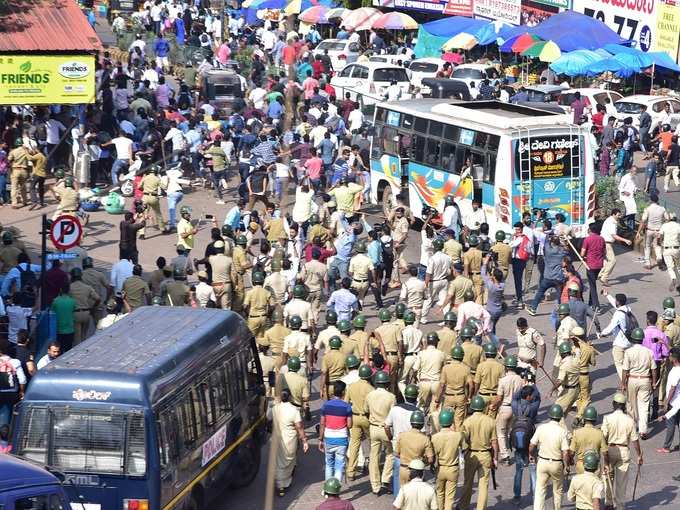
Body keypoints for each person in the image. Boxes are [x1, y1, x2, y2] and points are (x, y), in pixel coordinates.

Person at [602, 392, 643, 510]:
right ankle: (619, 506)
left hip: (609, 450)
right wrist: (639, 455)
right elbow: (635, 441)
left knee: (607, 477)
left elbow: (603, 437)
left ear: (614, 404)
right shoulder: (629, 420)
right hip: (624, 450)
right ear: (624, 405)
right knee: (622, 482)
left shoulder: (607, 418)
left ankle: (608, 503)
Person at [458, 395, 498, 510]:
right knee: (484, 485)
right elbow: (494, 442)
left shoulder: (467, 421)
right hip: (486, 455)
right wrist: (495, 458)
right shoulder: (491, 421)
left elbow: (463, 439)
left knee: (467, 483)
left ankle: (463, 506)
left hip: (471, 454)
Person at [529, 404, 570, 510]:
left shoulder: (541, 428)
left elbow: (532, 446)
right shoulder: (562, 432)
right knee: (557, 491)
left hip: (542, 461)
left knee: (540, 490)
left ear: (550, 415)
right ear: (560, 417)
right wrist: (567, 466)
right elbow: (565, 453)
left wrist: (532, 456)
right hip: (556, 463)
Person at [271, 388, 309, 497]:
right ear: (290, 397)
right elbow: (299, 427)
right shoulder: (294, 410)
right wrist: (304, 440)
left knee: (278, 461)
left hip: (276, 439)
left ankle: (279, 484)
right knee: (288, 461)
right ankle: (282, 484)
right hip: (289, 439)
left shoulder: (274, 408)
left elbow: (268, 418)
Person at [622, 327, 657, 440]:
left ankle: (631, 428)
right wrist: (654, 382)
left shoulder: (628, 352)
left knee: (631, 405)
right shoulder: (649, 352)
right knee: (644, 406)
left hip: (632, 379)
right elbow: (654, 369)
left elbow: (625, 370)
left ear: (632, 339)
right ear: (642, 339)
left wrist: (623, 383)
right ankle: (643, 430)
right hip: (645, 379)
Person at [366, 371, 396, 495]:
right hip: (386, 428)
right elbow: (392, 414)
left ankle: (375, 485)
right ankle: (385, 478)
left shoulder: (370, 395)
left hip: (373, 427)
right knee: (391, 454)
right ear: (386, 383)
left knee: (374, 456)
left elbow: (366, 410)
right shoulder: (391, 396)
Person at [319, 380, 352, 487]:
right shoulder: (347, 407)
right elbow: (350, 425)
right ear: (343, 392)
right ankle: (336, 489)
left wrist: (320, 439)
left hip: (328, 437)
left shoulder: (326, 406)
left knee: (329, 464)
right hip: (342, 439)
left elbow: (322, 423)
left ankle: (327, 488)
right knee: (339, 465)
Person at [511, 382, 540, 501]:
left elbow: (514, 397)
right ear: (528, 397)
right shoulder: (533, 408)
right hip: (530, 442)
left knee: (519, 471)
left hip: (518, 444)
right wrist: (533, 385)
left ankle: (517, 496)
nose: (532, 396)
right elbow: (538, 396)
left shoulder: (515, 406)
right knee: (533, 470)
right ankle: (535, 495)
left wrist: (522, 388)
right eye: (531, 395)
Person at [600, 290, 633, 380]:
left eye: (616, 300)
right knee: (627, 363)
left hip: (619, 343)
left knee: (619, 364)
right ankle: (629, 378)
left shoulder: (618, 314)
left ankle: (624, 381)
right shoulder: (627, 309)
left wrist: (602, 333)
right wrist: (607, 295)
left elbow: (611, 327)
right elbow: (617, 306)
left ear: (618, 302)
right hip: (629, 341)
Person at [569, 406, 608, 474]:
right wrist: (606, 464)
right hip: (595, 466)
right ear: (595, 420)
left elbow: (572, 452)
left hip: (581, 465)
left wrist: (570, 460)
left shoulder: (577, 432)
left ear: (584, 419)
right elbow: (605, 453)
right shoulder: (600, 433)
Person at [599, 209, 632, 286]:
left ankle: (601, 274)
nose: (619, 216)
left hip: (605, 242)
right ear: (613, 214)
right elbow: (614, 235)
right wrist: (625, 240)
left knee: (607, 261)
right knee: (613, 261)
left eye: (620, 215)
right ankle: (604, 278)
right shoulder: (612, 222)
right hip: (606, 243)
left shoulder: (610, 220)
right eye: (618, 215)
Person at [0, 339, 27, 426]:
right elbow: (22, 379)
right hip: (11, 392)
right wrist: (22, 391)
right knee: (11, 412)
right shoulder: (15, 362)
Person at [580, 222, 605, 309]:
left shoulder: (587, 239)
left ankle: (596, 305)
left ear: (590, 230)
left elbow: (582, 253)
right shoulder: (602, 239)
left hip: (590, 265)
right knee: (592, 284)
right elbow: (603, 252)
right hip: (599, 265)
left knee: (593, 286)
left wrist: (584, 257)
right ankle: (591, 303)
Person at [50, 283, 76, 352]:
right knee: (68, 350)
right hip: (70, 329)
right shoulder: (72, 301)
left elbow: (52, 313)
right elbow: (73, 311)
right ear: (69, 290)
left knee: (59, 351)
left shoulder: (55, 301)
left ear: (60, 290)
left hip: (59, 330)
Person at [658, 213, 680, 291]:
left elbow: (659, 236)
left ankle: (673, 278)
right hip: (676, 248)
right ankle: (678, 284)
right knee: (677, 267)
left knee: (670, 267)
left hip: (667, 249)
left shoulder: (665, 225)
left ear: (669, 219)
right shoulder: (678, 225)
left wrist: (661, 243)